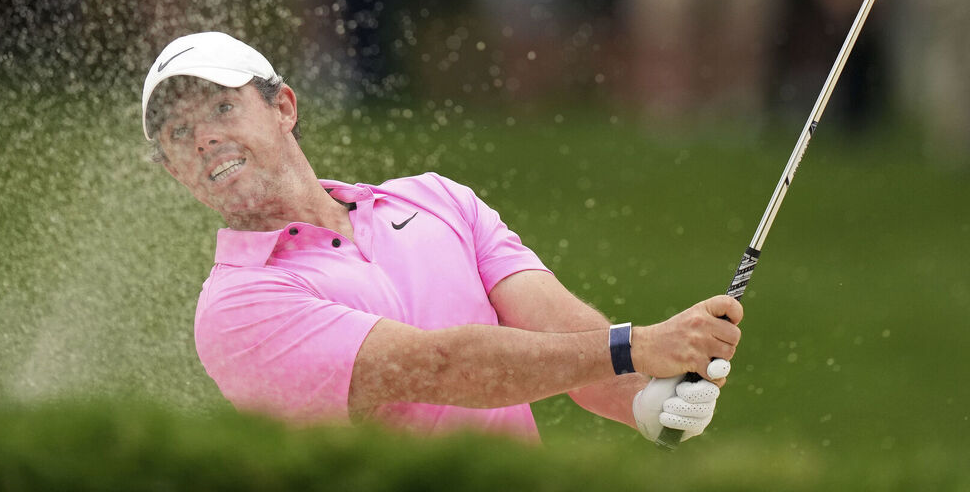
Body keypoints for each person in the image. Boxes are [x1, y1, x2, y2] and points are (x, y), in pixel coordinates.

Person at [141, 31, 743, 443]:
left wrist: (644, 398)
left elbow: (563, 337)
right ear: (174, 171)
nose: (204, 138)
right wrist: (637, 347)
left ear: (284, 108)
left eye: (222, 108)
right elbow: (440, 367)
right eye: (179, 133)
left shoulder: (436, 200)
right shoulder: (237, 307)